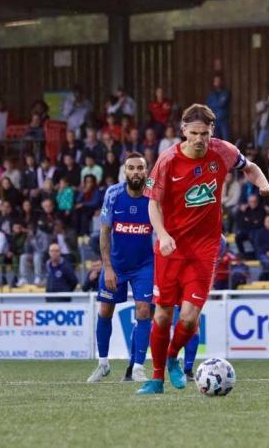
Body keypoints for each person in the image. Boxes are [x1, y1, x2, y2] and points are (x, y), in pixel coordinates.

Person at [136, 103, 269, 394]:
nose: (200, 139)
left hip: (205, 247)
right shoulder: (167, 161)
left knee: (189, 318)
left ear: (212, 130)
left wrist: (264, 185)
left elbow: (249, 167)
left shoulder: (222, 151)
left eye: (204, 133)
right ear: (184, 132)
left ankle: (173, 357)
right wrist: (162, 235)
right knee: (162, 315)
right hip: (170, 247)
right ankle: (156, 379)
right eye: (194, 133)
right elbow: (152, 204)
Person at [88, 153, 155, 384]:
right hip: (116, 265)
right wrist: (107, 267)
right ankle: (103, 364)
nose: (136, 172)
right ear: (125, 171)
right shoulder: (113, 194)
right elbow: (105, 232)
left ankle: (137, 367)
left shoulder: (155, 192)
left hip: (145, 265)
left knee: (144, 311)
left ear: (147, 171)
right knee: (105, 311)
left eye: (140, 168)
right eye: (131, 168)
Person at [206, 75, 230, 140]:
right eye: (216, 81)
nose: (217, 82)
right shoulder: (211, 94)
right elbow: (208, 106)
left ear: (222, 82)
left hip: (223, 121)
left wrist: (213, 104)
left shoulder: (225, 93)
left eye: (219, 81)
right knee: (216, 141)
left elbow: (221, 104)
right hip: (214, 121)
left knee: (226, 141)